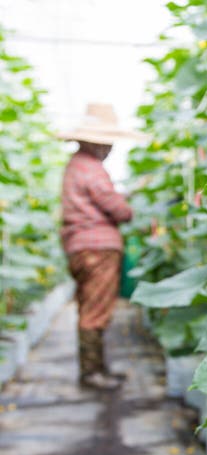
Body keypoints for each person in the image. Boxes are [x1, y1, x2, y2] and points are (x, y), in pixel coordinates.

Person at [58, 103, 144, 390]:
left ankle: (96, 369)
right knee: (96, 311)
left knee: (88, 307)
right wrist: (127, 207)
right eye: (107, 143)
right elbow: (116, 208)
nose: (110, 149)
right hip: (98, 248)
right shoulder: (92, 168)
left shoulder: (75, 167)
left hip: (78, 246)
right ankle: (92, 374)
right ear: (95, 142)